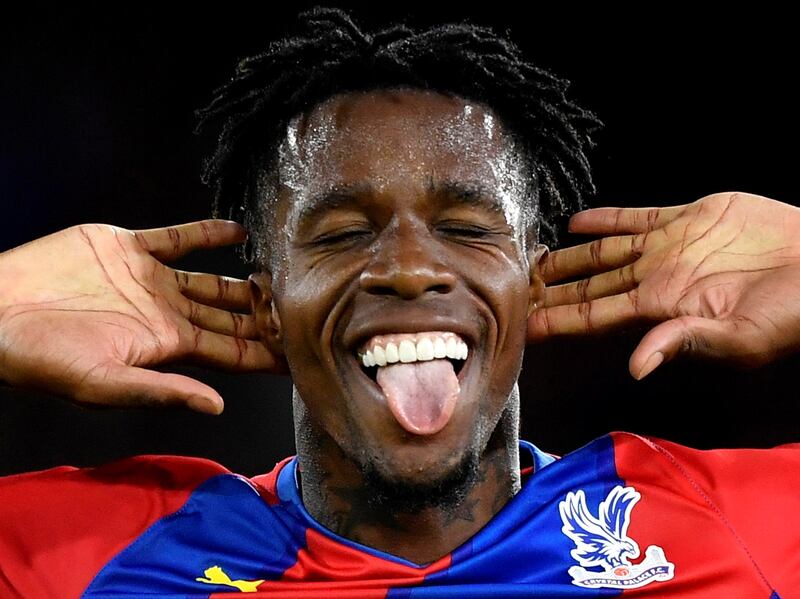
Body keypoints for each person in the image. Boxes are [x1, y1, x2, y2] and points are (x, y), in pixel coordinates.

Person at [1, 6, 798, 598]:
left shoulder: (714, 519)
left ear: (535, 284)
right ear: (268, 304)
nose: (410, 269)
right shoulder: (111, 548)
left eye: (464, 227)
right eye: (342, 233)